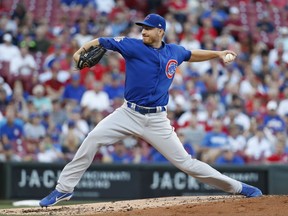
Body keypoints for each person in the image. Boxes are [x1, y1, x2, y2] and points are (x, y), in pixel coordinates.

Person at [39, 13, 262, 207]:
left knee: (187, 164)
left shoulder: (174, 51)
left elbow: (192, 54)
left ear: (160, 31)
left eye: (147, 28)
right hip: (128, 114)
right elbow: (102, 41)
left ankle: (238, 188)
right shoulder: (132, 45)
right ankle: (64, 188)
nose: (143, 31)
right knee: (93, 138)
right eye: (142, 28)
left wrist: (218, 53)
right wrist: (81, 49)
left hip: (157, 119)